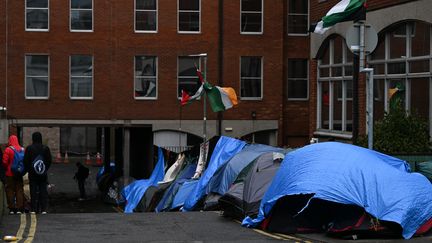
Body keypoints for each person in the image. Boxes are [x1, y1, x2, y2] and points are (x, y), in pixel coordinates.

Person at [23, 132, 52, 214]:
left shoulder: (29, 148)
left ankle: (33, 209)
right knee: (43, 191)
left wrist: (29, 169)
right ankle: (43, 209)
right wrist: (44, 169)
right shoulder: (45, 148)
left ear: (33, 138)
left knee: (33, 191)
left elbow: (26, 161)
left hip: (32, 174)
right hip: (43, 174)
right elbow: (49, 160)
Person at [2, 135, 25, 214]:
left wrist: (6, 168)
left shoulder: (8, 149)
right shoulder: (22, 149)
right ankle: (19, 208)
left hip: (10, 173)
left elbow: (4, 162)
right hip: (19, 173)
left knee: (10, 190)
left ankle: (12, 208)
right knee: (19, 190)